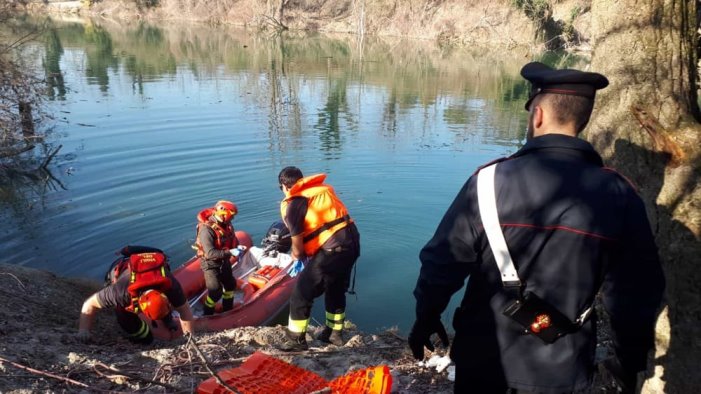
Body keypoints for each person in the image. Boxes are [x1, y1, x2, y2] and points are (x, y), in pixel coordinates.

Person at [408, 62, 665, 393]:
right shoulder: (620, 195)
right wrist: (628, 363)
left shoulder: (488, 182)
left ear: (538, 115)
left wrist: (425, 318)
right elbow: (636, 293)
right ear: (583, 120)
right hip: (562, 368)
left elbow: (441, 263)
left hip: (483, 359)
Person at [276, 166, 360, 351]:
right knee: (335, 288)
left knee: (301, 293)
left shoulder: (294, 204)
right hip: (352, 244)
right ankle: (334, 335)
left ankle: (295, 340)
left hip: (333, 250)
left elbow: (297, 248)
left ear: (284, 186)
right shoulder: (321, 192)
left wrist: (297, 258)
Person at [78, 245, 194, 344]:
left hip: (148, 268)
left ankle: (167, 320)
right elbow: (89, 304)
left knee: (162, 310)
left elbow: (185, 311)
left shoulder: (171, 284)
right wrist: (84, 330)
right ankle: (144, 337)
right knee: (125, 320)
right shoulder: (120, 292)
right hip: (120, 270)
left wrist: (190, 338)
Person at [194, 200, 247, 315]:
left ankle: (227, 310)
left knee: (230, 285)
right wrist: (231, 252)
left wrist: (238, 248)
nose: (232, 219)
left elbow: (233, 239)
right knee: (215, 292)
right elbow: (210, 253)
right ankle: (207, 314)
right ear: (224, 214)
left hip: (224, 261)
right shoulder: (206, 230)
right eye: (231, 216)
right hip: (210, 264)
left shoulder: (227, 225)